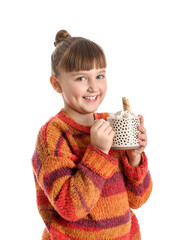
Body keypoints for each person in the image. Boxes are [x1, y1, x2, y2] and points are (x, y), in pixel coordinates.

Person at [32, 29, 152, 240]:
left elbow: (138, 199)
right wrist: (98, 151)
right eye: (81, 78)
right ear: (56, 84)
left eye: (100, 75)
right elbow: (70, 208)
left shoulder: (111, 123)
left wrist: (134, 159)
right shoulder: (53, 135)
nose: (94, 87)